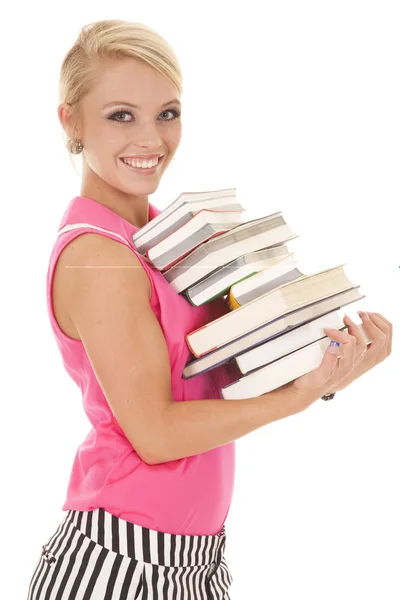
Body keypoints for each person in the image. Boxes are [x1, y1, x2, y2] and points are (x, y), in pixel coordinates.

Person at [26, 18, 393, 600]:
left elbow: (215, 378)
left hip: (197, 559)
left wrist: (325, 372)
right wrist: (292, 399)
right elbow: (155, 433)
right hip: (121, 561)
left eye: (166, 114)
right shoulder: (98, 255)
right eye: (121, 115)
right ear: (70, 121)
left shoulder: (158, 235)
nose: (151, 140)